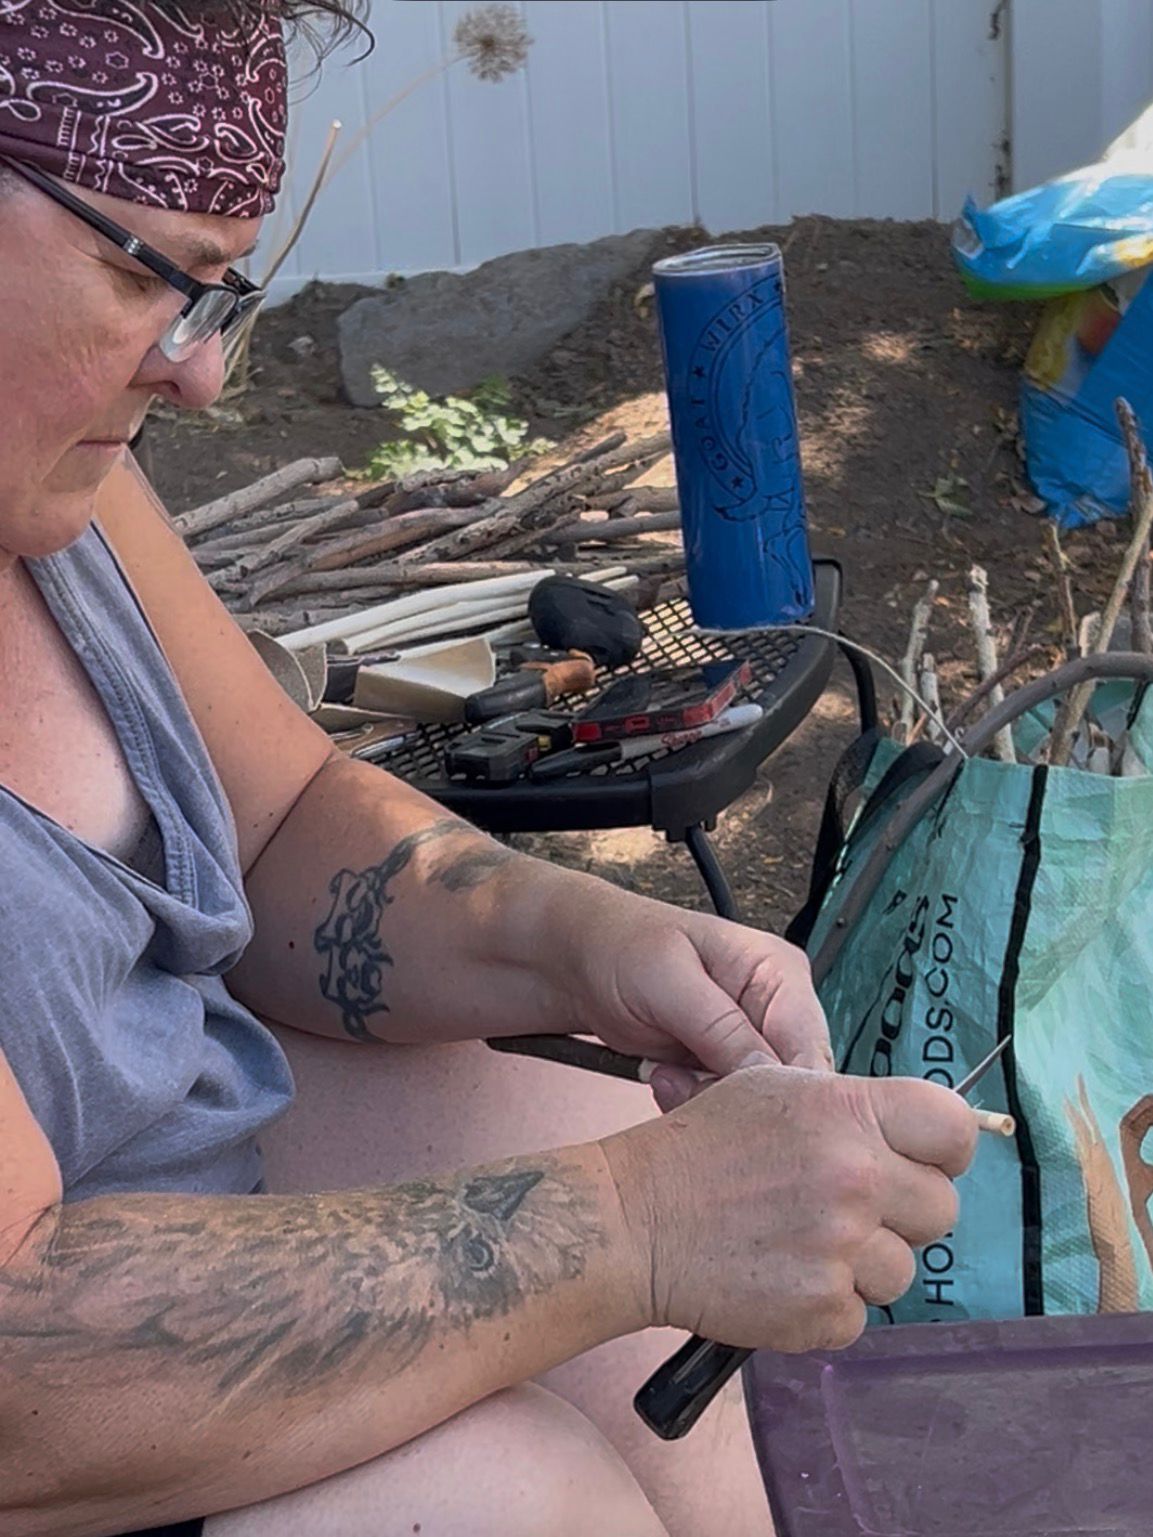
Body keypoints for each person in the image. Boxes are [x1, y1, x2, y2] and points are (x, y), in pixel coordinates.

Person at [0, 4, 977, 1534]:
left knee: (601, 1245)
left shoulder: (59, 496)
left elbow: (282, 826)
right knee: (517, 1493)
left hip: (124, 1208)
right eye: (145, 274)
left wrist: (591, 942)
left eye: (219, 293)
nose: (196, 377)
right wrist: (631, 1223)